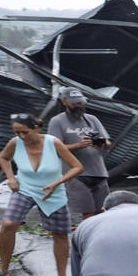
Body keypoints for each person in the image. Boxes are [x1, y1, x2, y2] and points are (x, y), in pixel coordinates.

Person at [0, 114, 81, 276]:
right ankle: (2, 270)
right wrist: (11, 178)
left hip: (53, 192)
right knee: (8, 224)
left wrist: (57, 183)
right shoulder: (15, 143)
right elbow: (3, 157)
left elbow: (77, 167)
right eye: (17, 132)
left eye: (25, 132)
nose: (21, 136)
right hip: (25, 189)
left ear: (36, 128)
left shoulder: (54, 143)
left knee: (60, 234)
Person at [45, 86, 112, 222]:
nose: (78, 106)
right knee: (88, 214)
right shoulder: (57, 121)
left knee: (103, 212)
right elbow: (54, 150)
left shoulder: (92, 119)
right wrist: (79, 145)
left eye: (80, 102)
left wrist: (101, 143)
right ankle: (87, 241)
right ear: (64, 102)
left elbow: (108, 143)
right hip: (75, 175)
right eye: (74, 103)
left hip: (99, 172)